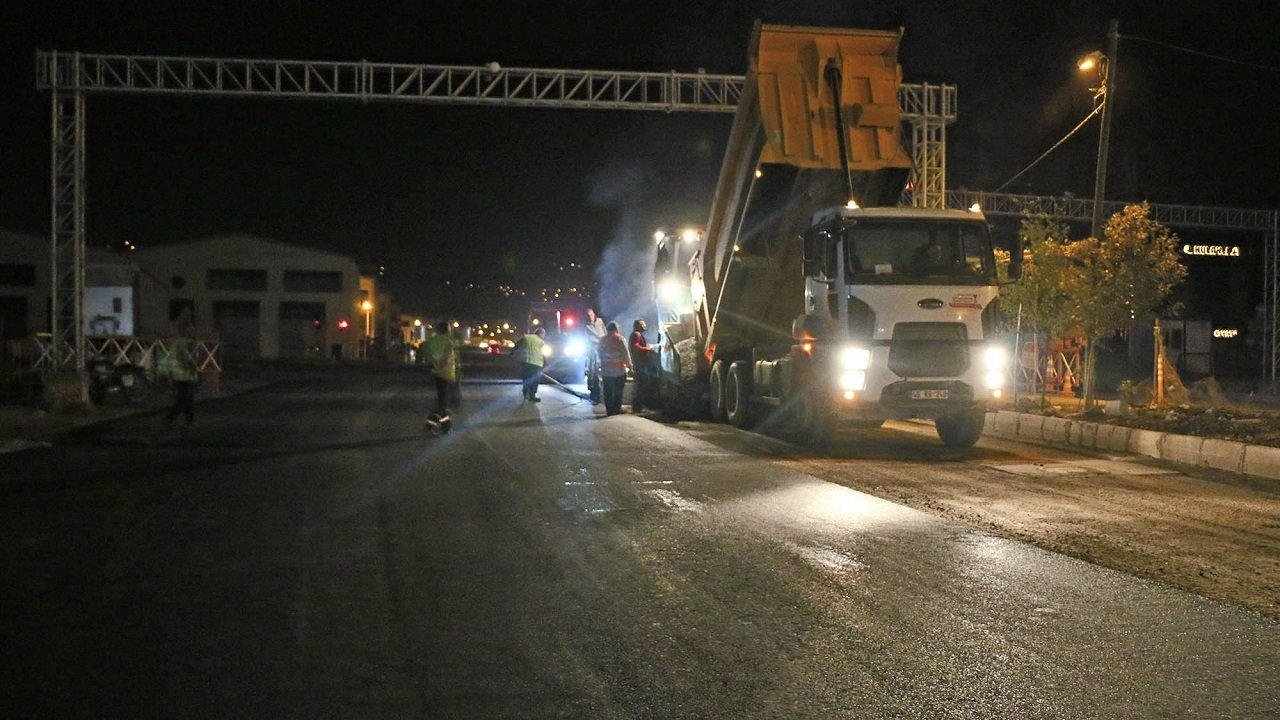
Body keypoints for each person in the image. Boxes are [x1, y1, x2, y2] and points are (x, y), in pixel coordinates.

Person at [161, 323, 198, 429]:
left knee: (186, 398)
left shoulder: (179, 342)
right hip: (183, 375)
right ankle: (171, 418)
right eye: (191, 331)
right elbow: (186, 359)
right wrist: (192, 369)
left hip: (179, 375)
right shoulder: (184, 343)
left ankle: (187, 420)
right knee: (185, 399)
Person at [423, 321, 458, 423]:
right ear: (447, 329)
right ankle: (438, 420)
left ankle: (441, 418)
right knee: (444, 399)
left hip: (435, 373)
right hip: (446, 374)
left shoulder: (432, 341)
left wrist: (434, 367)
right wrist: (440, 367)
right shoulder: (448, 342)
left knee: (441, 396)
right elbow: (446, 358)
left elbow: (428, 356)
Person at [597, 321, 631, 415]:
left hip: (606, 370)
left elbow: (599, 353)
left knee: (607, 391)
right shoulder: (620, 339)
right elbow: (625, 353)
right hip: (618, 370)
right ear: (616, 329)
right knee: (618, 391)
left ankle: (609, 410)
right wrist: (629, 365)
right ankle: (616, 409)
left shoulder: (602, 340)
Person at [513, 326, 547, 402]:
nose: (543, 337)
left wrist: (512, 352)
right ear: (541, 334)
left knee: (526, 379)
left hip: (525, 362)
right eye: (543, 335)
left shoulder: (527, 337)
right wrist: (545, 362)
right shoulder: (541, 342)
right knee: (534, 380)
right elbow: (542, 353)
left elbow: (517, 344)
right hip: (536, 364)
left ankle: (525, 394)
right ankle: (532, 396)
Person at [629, 318, 655, 412]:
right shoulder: (636, 334)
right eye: (642, 324)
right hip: (640, 363)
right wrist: (648, 349)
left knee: (642, 384)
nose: (645, 326)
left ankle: (638, 406)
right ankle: (638, 406)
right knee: (643, 384)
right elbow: (636, 347)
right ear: (637, 326)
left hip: (639, 363)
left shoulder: (636, 334)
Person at [584, 307, 607, 405]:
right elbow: (586, 338)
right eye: (588, 315)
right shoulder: (586, 326)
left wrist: (606, 340)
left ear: (594, 314)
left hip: (602, 346)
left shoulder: (600, 321)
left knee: (601, 367)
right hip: (593, 348)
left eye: (591, 315)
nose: (590, 317)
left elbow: (604, 331)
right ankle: (594, 391)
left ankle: (601, 392)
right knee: (593, 370)